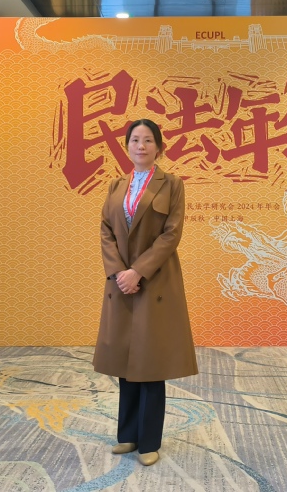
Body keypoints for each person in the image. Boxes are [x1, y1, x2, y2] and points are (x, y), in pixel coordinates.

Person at [92, 119, 198, 467]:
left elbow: (171, 234)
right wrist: (119, 272)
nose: (141, 146)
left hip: (155, 281)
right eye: (135, 140)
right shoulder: (116, 185)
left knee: (150, 363)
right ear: (127, 146)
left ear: (159, 147)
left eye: (148, 140)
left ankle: (149, 441)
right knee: (126, 360)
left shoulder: (172, 184)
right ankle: (128, 435)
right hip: (121, 282)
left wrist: (138, 271)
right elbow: (106, 230)